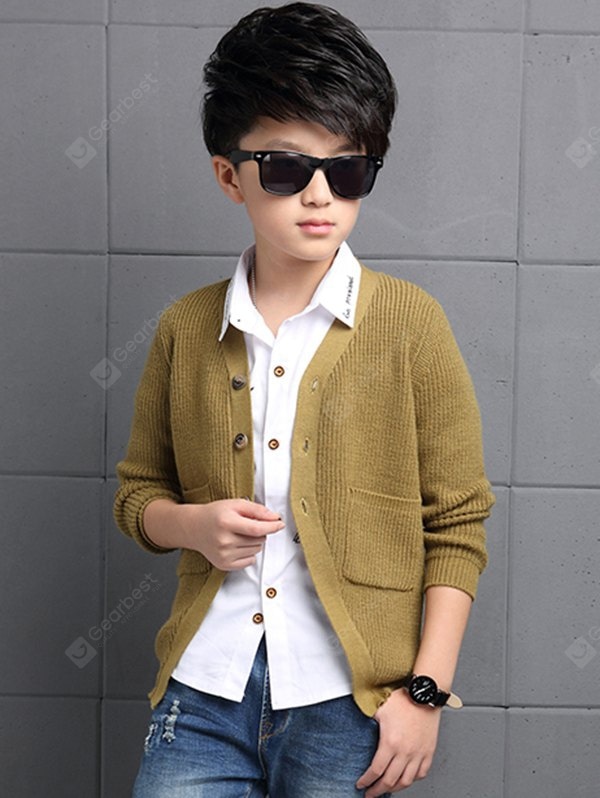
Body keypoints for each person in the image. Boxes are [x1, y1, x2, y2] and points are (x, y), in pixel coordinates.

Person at [113, 3, 495, 796]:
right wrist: (193, 526)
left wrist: (425, 693)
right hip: (202, 693)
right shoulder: (186, 328)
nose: (320, 195)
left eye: (348, 170)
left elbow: (457, 523)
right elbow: (137, 496)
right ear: (230, 176)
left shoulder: (411, 325)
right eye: (287, 168)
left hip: (347, 708)